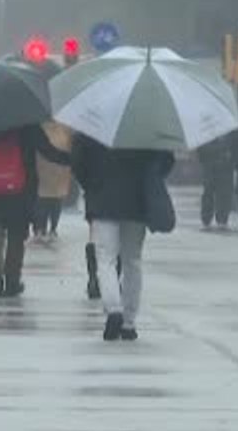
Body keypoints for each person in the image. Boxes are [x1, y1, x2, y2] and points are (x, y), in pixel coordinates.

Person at [72, 134, 174, 342]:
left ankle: (114, 310)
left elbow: (78, 162)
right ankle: (129, 322)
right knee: (132, 260)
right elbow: (166, 161)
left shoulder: (94, 126)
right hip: (137, 201)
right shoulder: (148, 127)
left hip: (102, 199)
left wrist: (91, 184)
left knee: (106, 259)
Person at [0, 125, 69, 298]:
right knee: (16, 238)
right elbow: (47, 151)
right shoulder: (28, 125)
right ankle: (12, 282)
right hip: (21, 192)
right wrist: (72, 159)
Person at [33, 121, 74, 242]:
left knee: (47, 199)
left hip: (51, 165)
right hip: (53, 165)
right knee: (50, 199)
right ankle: (46, 229)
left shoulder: (40, 125)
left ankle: (44, 229)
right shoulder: (65, 127)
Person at [196, 135, 234, 229]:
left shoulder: (227, 135)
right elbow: (201, 151)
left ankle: (220, 219)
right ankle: (209, 219)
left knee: (221, 194)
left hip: (222, 167)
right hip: (212, 167)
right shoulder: (207, 136)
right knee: (210, 193)